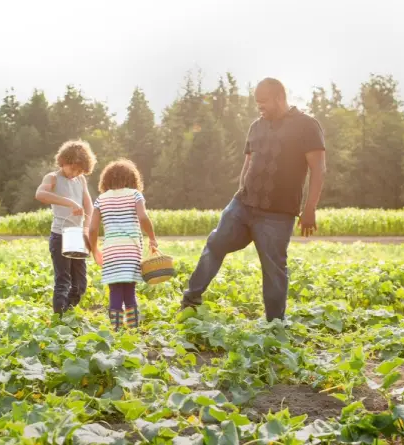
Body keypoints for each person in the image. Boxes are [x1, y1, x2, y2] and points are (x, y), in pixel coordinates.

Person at [180, 77, 327, 321]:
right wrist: (239, 195)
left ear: (280, 98)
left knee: (273, 268)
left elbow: (319, 169)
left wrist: (310, 209)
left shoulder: (307, 125)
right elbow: (247, 164)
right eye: (257, 102)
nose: (260, 107)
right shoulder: (256, 126)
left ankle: (275, 324)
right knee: (216, 243)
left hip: (278, 213)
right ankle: (191, 299)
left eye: (264, 102)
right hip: (243, 205)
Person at [88, 159, 158, 331]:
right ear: (133, 179)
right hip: (131, 250)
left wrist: (95, 249)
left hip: (111, 250)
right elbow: (143, 218)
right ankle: (133, 330)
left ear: (106, 180)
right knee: (129, 290)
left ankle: (116, 329)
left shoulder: (101, 200)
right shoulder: (135, 195)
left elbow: (92, 228)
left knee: (115, 290)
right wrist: (152, 237)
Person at [36, 140, 96, 314]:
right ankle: (59, 320)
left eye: (79, 170)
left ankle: (67, 314)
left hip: (78, 236)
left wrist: (86, 228)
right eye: (73, 168)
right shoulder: (52, 178)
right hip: (60, 236)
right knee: (63, 281)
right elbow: (40, 194)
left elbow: (88, 205)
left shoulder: (81, 180)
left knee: (80, 284)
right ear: (63, 161)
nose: (75, 173)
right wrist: (69, 202)